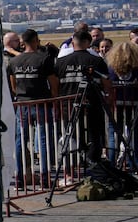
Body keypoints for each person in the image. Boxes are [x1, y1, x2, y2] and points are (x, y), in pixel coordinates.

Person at [56, 28, 109, 169]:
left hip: (68, 104)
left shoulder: (61, 62)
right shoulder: (97, 61)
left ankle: (72, 166)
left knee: (71, 135)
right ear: (88, 43)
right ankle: (94, 165)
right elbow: (106, 83)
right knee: (94, 134)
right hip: (93, 103)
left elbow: (55, 84)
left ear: (73, 43)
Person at [9, 30, 59, 181]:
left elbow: (13, 86)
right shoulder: (44, 59)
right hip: (41, 103)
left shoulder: (14, 62)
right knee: (43, 139)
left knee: (21, 140)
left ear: (22, 43)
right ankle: (45, 174)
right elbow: (54, 83)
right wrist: (54, 99)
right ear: (36, 40)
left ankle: (20, 174)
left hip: (23, 103)